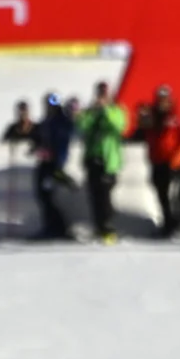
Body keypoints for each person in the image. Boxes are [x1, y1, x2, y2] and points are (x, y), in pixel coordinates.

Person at [139, 84, 180, 238]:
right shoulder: (151, 117)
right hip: (159, 161)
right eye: (160, 100)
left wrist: (175, 162)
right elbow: (142, 134)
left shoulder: (179, 116)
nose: (162, 103)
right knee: (162, 194)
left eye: (165, 100)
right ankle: (168, 224)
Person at [78, 82, 127, 243]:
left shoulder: (116, 111)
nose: (102, 97)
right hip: (93, 159)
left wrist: (105, 110)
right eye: (100, 94)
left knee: (105, 195)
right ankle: (99, 227)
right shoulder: (91, 112)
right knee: (94, 196)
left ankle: (108, 227)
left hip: (108, 162)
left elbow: (119, 126)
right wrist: (91, 112)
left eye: (105, 94)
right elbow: (81, 126)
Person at [31, 95, 78, 241]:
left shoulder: (60, 121)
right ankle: (51, 226)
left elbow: (61, 142)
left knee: (48, 196)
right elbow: (40, 137)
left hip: (54, 164)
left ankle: (58, 227)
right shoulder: (47, 121)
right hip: (45, 163)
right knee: (43, 195)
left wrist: (57, 161)